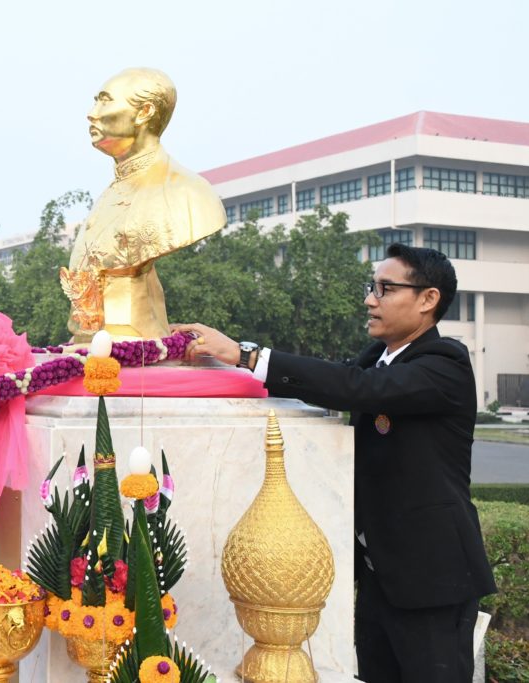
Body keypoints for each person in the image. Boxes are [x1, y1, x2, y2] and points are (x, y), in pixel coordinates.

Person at [176, 243, 496, 682]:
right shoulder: (377, 358)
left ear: (428, 299)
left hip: (433, 578)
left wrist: (247, 354)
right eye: (371, 287)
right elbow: (326, 381)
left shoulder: (445, 363)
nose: (370, 300)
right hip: (381, 575)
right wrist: (220, 365)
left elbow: (356, 388)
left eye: (385, 289)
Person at [60, 67, 226, 342]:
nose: (92, 113)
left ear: (144, 112)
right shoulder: (111, 192)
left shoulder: (186, 193)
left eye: (105, 101)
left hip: (135, 340)